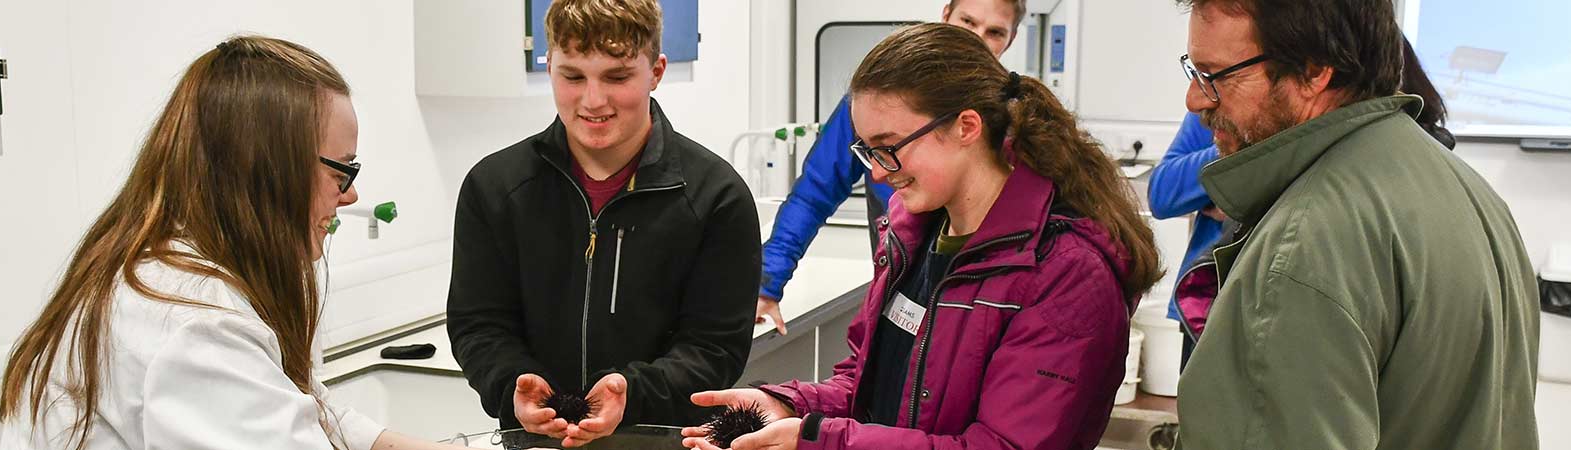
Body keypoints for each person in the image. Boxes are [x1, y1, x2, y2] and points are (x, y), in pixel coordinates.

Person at [683, 23, 1164, 449]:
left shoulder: (1066, 273)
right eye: (867, 151)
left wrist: (817, 440)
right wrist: (788, 406)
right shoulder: (911, 236)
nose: (874, 174)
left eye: (889, 149)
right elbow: (864, 387)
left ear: (966, 127)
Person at [0, 36, 464, 450]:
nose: (351, 194)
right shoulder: (193, 324)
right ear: (268, 169)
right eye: (341, 171)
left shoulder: (173, 273)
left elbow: (308, 407)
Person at [1172, 0, 1539, 448]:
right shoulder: (1468, 190)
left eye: (1216, 75)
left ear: (1313, 72)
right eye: (1194, 71)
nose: (1195, 99)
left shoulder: (1306, 239)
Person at [446, 0, 761, 447]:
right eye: (572, 76)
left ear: (656, 71)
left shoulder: (715, 196)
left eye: (617, 77)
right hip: (535, 441)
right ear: (549, 65)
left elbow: (714, 348)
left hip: (662, 439)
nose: (593, 101)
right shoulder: (495, 187)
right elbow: (478, 324)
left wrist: (629, 396)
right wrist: (512, 385)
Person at [1148, 35, 1455, 368]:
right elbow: (1162, 194)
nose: (1197, 98)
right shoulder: (1215, 99)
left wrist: (1251, 184)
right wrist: (1240, 146)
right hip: (1208, 301)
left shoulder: (1400, 157)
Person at [755, 0, 1028, 334]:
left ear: (1011, 39)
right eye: (968, 21)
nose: (977, 37)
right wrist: (767, 284)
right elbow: (815, 192)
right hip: (900, 297)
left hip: (983, 311)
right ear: (946, 15)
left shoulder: (1015, 122)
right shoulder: (880, 105)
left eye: (995, 32)